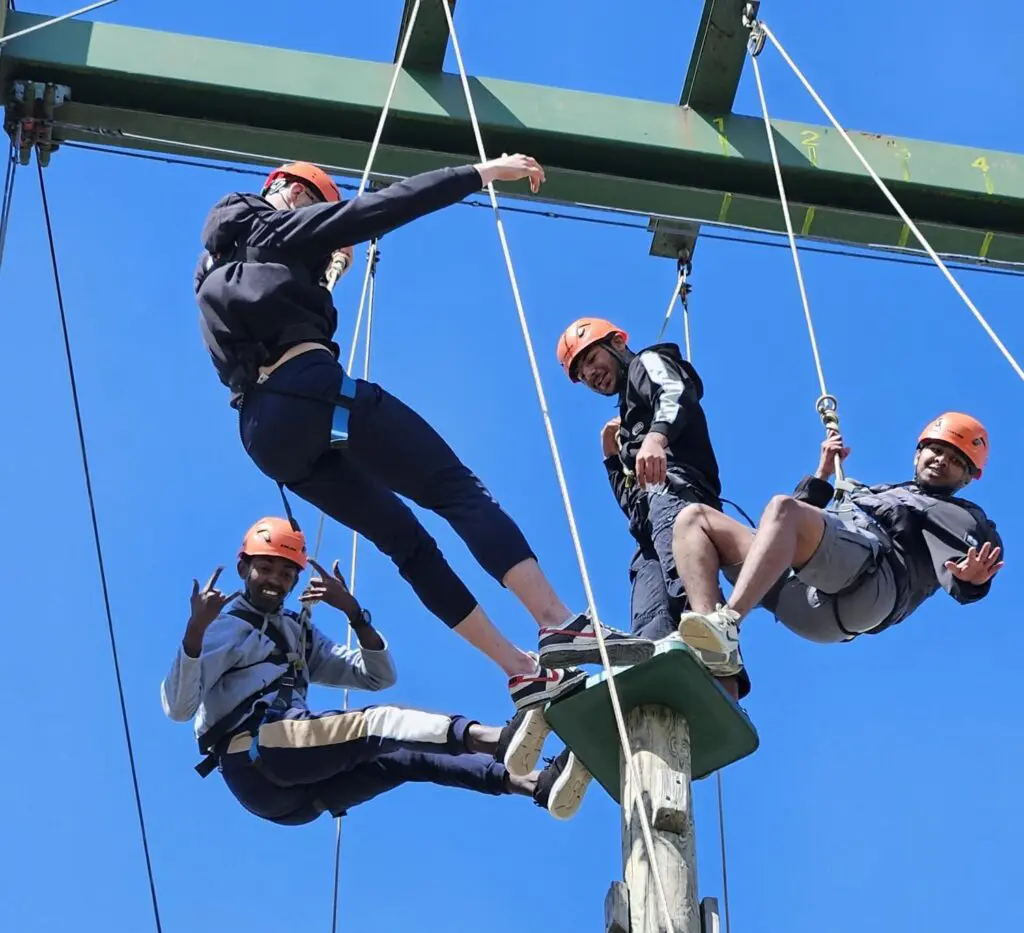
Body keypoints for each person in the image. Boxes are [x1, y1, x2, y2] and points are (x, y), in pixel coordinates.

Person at [192, 157, 653, 713]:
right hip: (310, 389)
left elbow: (271, 306)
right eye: (317, 204)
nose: (321, 214)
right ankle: (559, 625)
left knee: (405, 545)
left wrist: (322, 271)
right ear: (287, 191)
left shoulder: (217, 273)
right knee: (457, 493)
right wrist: (482, 173)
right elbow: (384, 206)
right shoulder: (279, 227)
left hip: (266, 434)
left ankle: (521, 672)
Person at [160, 517, 593, 825]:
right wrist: (195, 632)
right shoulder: (224, 623)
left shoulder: (296, 632)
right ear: (244, 569)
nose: (274, 580)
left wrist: (354, 614)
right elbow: (179, 709)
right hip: (252, 756)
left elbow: (375, 676)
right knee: (379, 725)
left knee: (405, 757)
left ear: (295, 581)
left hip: (296, 799)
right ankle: (501, 739)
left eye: (285, 572)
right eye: (265, 568)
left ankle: (536, 784)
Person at [670, 413, 1005, 676]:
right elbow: (787, 529)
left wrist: (972, 581)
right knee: (695, 518)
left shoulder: (960, 515)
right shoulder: (877, 491)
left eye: (956, 460)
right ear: (918, 452)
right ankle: (711, 642)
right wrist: (823, 474)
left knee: (783, 508)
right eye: (936, 449)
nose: (941, 460)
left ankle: (727, 622)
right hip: (804, 596)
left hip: (870, 586)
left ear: (967, 477)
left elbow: (972, 561)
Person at [556, 317, 749, 699]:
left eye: (593, 358)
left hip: (677, 496)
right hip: (648, 527)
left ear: (618, 342)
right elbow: (632, 505)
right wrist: (612, 457)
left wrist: (656, 438)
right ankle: (651, 689)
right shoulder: (629, 427)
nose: (592, 374)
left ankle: (725, 683)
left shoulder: (648, 362)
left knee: (690, 589)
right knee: (650, 621)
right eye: (582, 373)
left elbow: (677, 389)